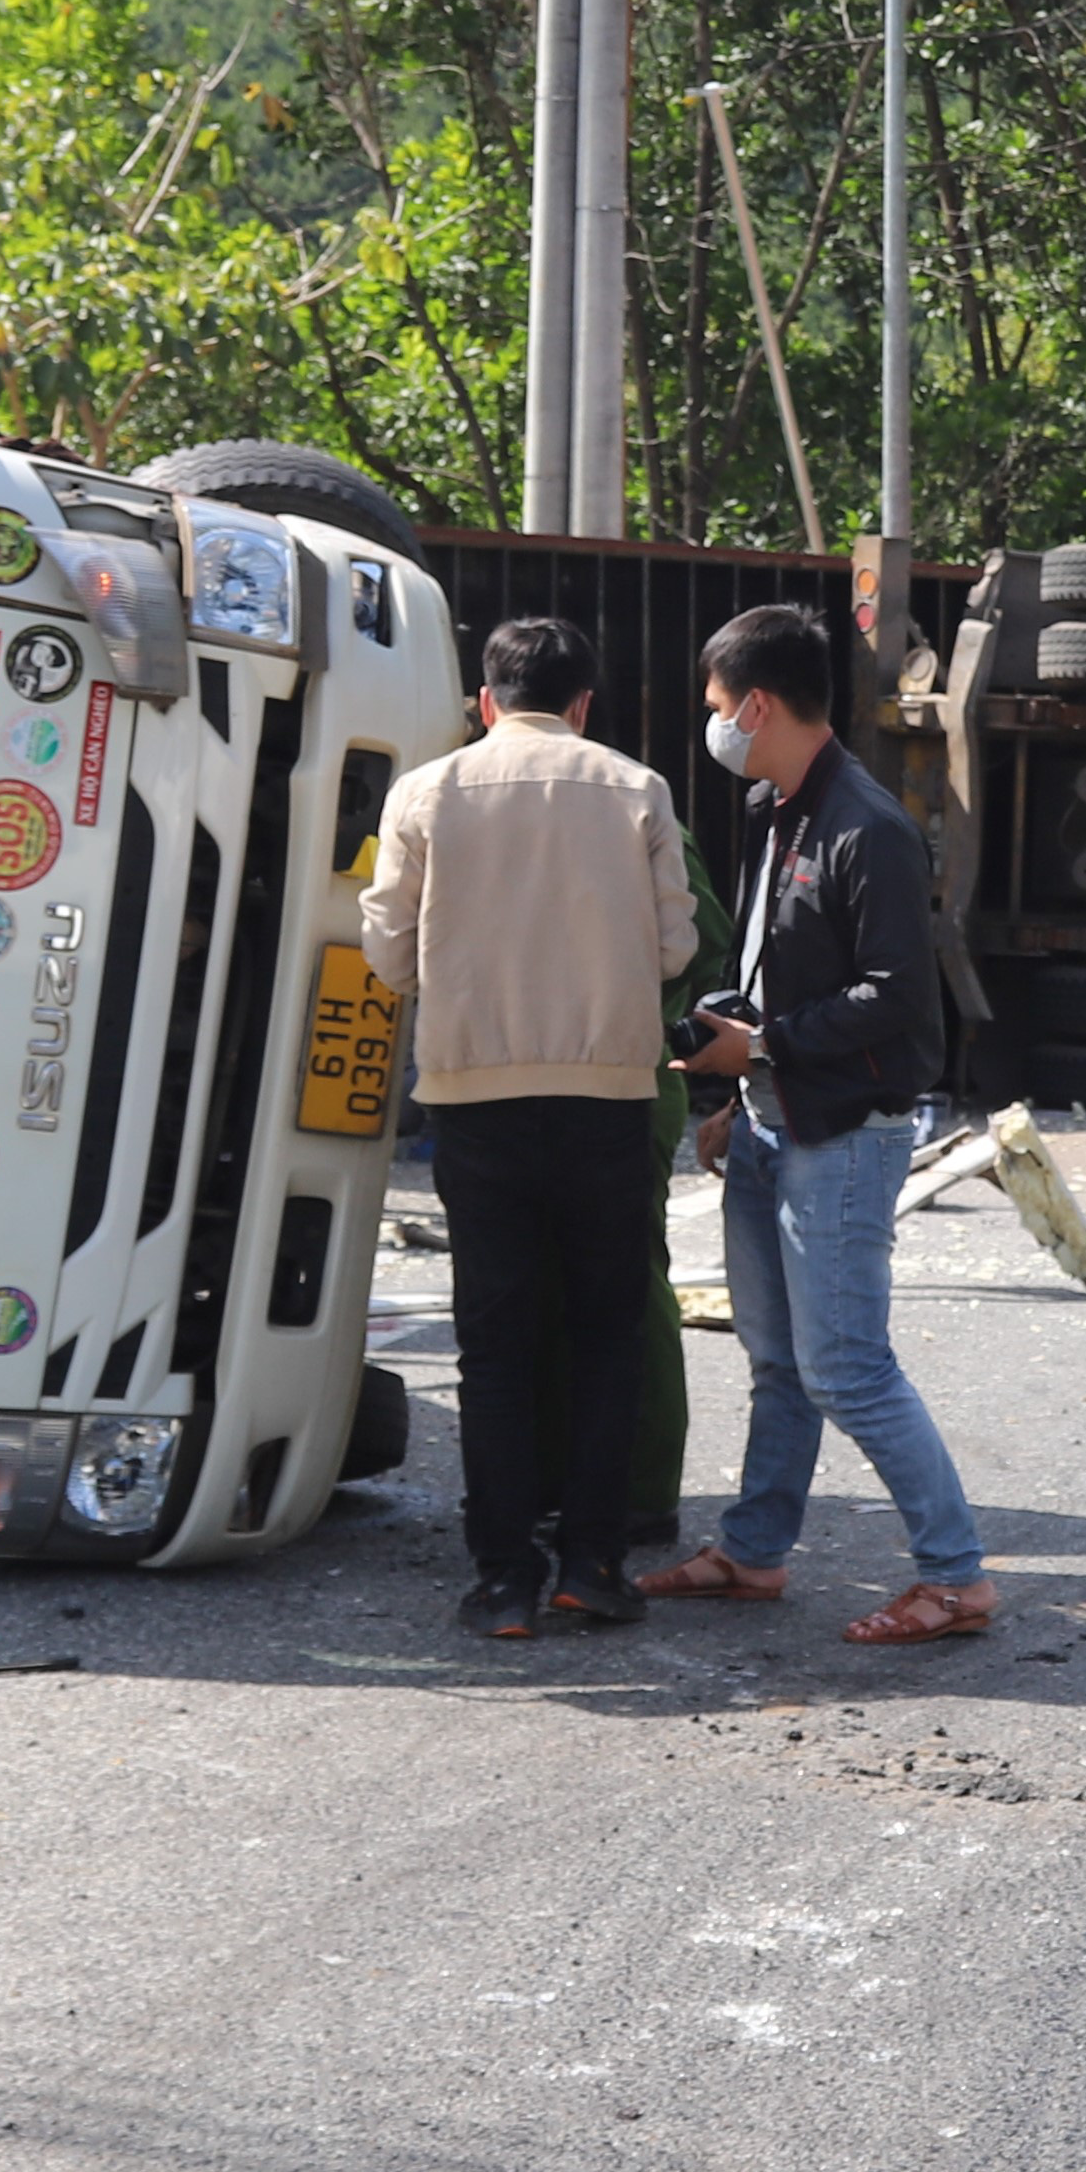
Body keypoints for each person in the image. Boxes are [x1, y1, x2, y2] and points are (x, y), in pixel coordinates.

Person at [631, 602, 987, 1646]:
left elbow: (898, 1003)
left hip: (841, 1134)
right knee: (778, 1361)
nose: (713, 726)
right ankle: (751, 1552)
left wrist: (767, 1050)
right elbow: (776, 974)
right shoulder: (778, 806)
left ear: (755, 703)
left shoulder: (865, 826)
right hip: (773, 1122)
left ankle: (956, 1577)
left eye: (714, 707)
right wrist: (735, 1077)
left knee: (845, 1369)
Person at [357, 617, 692, 1642]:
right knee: (604, 1336)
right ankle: (591, 1565)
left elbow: (385, 953)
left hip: (475, 1102)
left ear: (485, 701)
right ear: (583, 703)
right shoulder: (637, 789)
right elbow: (676, 946)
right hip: (605, 1099)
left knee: (493, 1350)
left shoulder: (424, 791)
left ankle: (502, 1577)